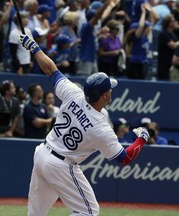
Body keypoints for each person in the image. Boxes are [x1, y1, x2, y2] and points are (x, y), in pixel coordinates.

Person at [19, 28, 150, 215]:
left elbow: (50, 70)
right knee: (89, 212)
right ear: (104, 95)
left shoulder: (74, 93)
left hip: (42, 154)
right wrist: (142, 138)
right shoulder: (101, 126)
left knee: (35, 214)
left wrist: (34, 48)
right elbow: (125, 157)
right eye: (109, 90)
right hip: (61, 164)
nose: (111, 92)